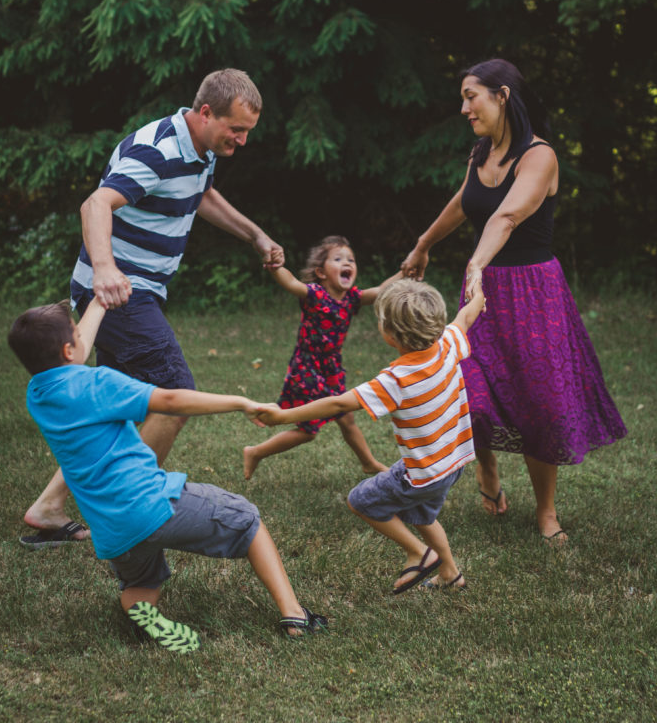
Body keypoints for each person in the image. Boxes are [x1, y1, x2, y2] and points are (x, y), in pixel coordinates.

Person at [21, 68, 283, 549]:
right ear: (205, 113)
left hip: (131, 291)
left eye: (247, 131)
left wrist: (256, 235)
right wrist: (105, 270)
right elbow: (96, 204)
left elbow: (201, 194)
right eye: (236, 130)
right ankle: (129, 510)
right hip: (120, 292)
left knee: (115, 410)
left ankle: (48, 509)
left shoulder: (200, 149)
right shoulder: (158, 149)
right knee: (175, 395)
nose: (242, 141)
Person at [8, 297, 328, 649]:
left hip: (111, 530)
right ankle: (296, 615)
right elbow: (172, 401)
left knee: (140, 586)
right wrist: (241, 403)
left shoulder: (37, 394)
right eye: (77, 335)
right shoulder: (96, 384)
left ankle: (152, 626)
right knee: (247, 519)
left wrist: (99, 302)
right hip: (152, 504)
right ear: (70, 350)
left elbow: (69, 354)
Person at [401, 58, 627, 542]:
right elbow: (467, 204)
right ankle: (487, 473)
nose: (464, 107)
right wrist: (424, 244)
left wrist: (476, 265)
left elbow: (505, 217)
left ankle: (545, 511)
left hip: (532, 291)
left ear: (502, 95)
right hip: (481, 290)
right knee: (469, 389)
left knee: (541, 401)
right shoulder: (480, 152)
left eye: (471, 96)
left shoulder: (539, 156)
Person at [257, 278, 484, 594]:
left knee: (360, 501)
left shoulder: (395, 380)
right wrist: (478, 290)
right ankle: (451, 574)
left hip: (422, 473)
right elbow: (467, 316)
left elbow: (338, 402)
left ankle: (419, 553)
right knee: (422, 516)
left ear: (389, 334)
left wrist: (283, 415)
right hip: (453, 463)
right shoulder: (448, 342)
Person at [243, 236, 400, 480]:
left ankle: (369, 463)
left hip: (331, 369)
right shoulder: (314, 294)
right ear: (321, 272)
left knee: (345, 418)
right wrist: (276, 268)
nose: (346, 262)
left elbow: (381, 291)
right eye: (338, 259)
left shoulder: (352, 299)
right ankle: (255, 451)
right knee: (310, 430)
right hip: (307, 369)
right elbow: (292, 283)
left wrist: (406, 271)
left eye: (351, 259)